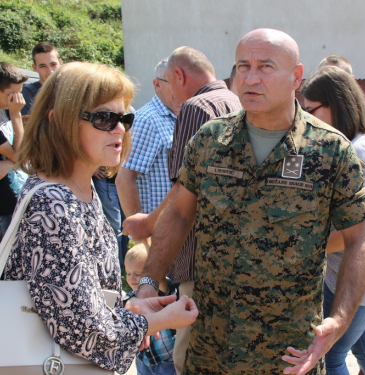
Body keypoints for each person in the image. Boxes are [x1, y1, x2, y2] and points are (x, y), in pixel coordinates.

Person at [130, 28, 365, 374]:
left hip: (288, 353)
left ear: (296, 77)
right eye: (243, 66)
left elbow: (360, 237)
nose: (251, 77)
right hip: (210, 345)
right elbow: (180, 214)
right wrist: (147, 282)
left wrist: (340, 319)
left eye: (266, 67)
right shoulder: (211, 139)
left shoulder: (331, 150)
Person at [4, 61, 198, 373]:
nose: (120, 128)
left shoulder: (81, 188)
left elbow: (78, 296)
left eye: (125, 118)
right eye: (104, 118)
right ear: (59, 122)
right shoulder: (55, 199)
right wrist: (153, 321)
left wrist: (128, 308)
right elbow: (84, 330)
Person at [122, 46, 241, 375]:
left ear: (178, 75)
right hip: (228, 262)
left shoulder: (196, 106)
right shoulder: (233, 101)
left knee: (187, 361)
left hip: (194, 258)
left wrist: (146, 225)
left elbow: (182, 190)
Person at [302, 65, 365, 375]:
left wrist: (303, 246)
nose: (307, 121)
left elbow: (352, 232)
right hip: (362, 272)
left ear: (336, 104)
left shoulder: (360, 155)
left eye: (311, 111)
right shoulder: (351, 146)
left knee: (329, 355)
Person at [116, 58, 181, 217]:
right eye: (173, 83)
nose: (180, 90)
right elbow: (124, 179)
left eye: (183, 83)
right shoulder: (147, 120)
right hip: (156, 231)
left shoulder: (179, 117)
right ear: (157, 84)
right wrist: (140, 232)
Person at [319, 55, 365, 192]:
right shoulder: (314, 117)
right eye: (324, 79)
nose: (329, 86)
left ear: (352, 81)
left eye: (338, 79)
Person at [124, 243, 176, 375]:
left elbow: (160, 274)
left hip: (166, 360)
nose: (131, 278)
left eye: (137, 273)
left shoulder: (160, 291)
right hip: (143, 360)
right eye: (128, 273)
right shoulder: (131, 299)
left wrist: (146, 244)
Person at [0, 62, 27, 238]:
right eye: (12, 94)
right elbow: (18, 155)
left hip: (10, 202)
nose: (17, 99)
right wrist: (16, 115)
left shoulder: (3, 112)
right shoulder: (10, 113)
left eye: (20, 92)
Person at [21, 42, 62, 117]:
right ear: (35, 68)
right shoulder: (28, 92)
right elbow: (30, 126)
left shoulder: (71, 89)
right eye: (43, 66)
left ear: (60, 63)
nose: (50, 71)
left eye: (53, 64)